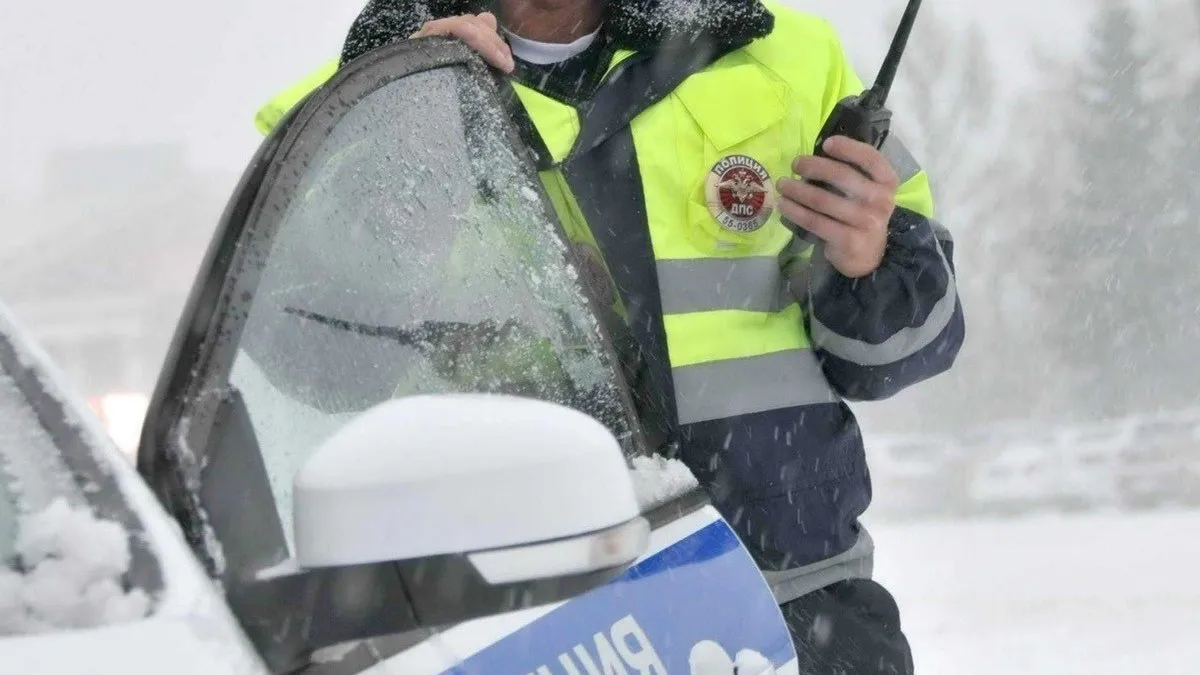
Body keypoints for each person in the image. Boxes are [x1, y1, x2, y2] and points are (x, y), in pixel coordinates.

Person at [255, 0, 965, 671]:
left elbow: (910, 344)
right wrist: (397, 155)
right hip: (517, 636)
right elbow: (314, 363)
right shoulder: (354, 107)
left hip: (790, 605)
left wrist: (866, 258)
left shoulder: (789, 60)